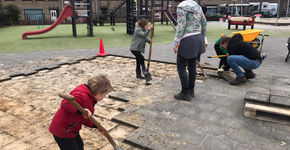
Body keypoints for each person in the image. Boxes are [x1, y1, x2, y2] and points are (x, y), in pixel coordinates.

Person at [49, 75, 113, 150]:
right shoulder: (82, 95)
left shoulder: (90, 98)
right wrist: (80, 111)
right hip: (63, 131)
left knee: (79, 146)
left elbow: (85, 118)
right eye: (104, 95)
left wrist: (97, 126)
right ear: (99, 93)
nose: (103, 98)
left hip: (72, 130)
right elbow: (65, 103)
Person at [173, 0, 207, 101]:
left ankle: (185, 92)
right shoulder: (197, 6)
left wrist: (176, 41)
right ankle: (191, 90)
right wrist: (203, 36)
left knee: (181, 66)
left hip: (187, 39)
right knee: (192, 66)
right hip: (198, 37)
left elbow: (181, 26)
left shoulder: (181, 7)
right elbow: (204, 23)